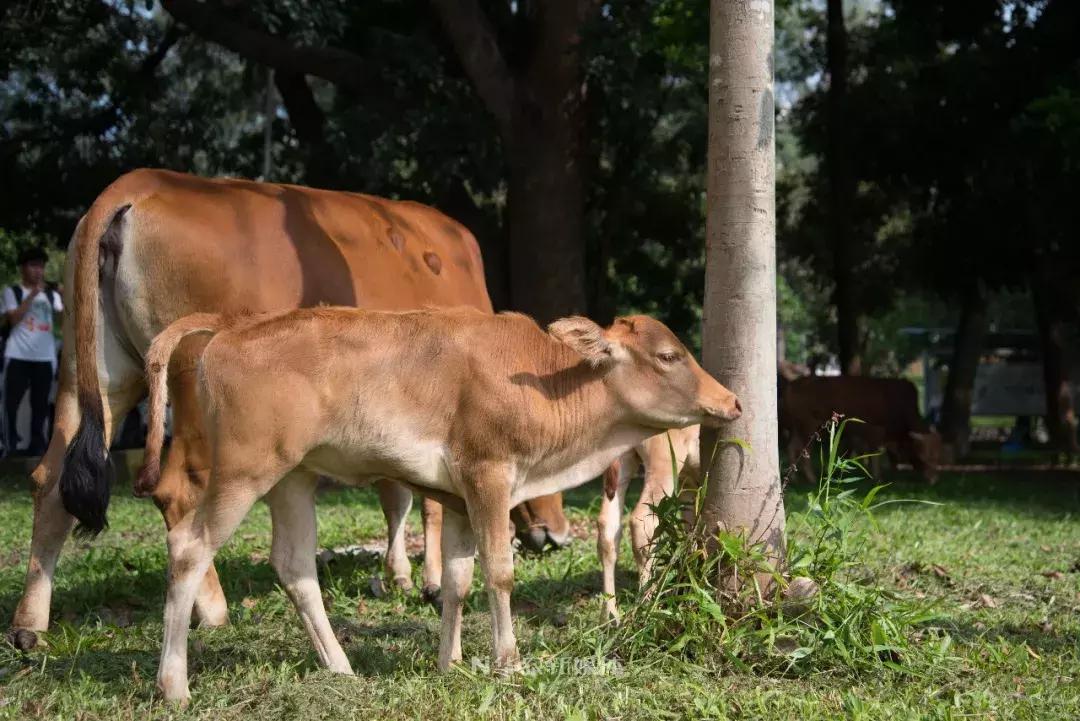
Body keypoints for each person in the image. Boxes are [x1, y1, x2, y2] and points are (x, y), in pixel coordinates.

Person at [3, 247, 62, 456]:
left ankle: (37, 446)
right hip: (18, 355)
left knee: (40, 405)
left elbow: (64, 318)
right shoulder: (13, 292)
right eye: (33, 266)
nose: (38, 271)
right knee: (11, 402)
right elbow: (13, 318)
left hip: (44, 358)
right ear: (23, 268)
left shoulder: (50, 295)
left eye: (41, 266)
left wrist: (64, 296)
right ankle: (9, 445)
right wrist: (33, 295)